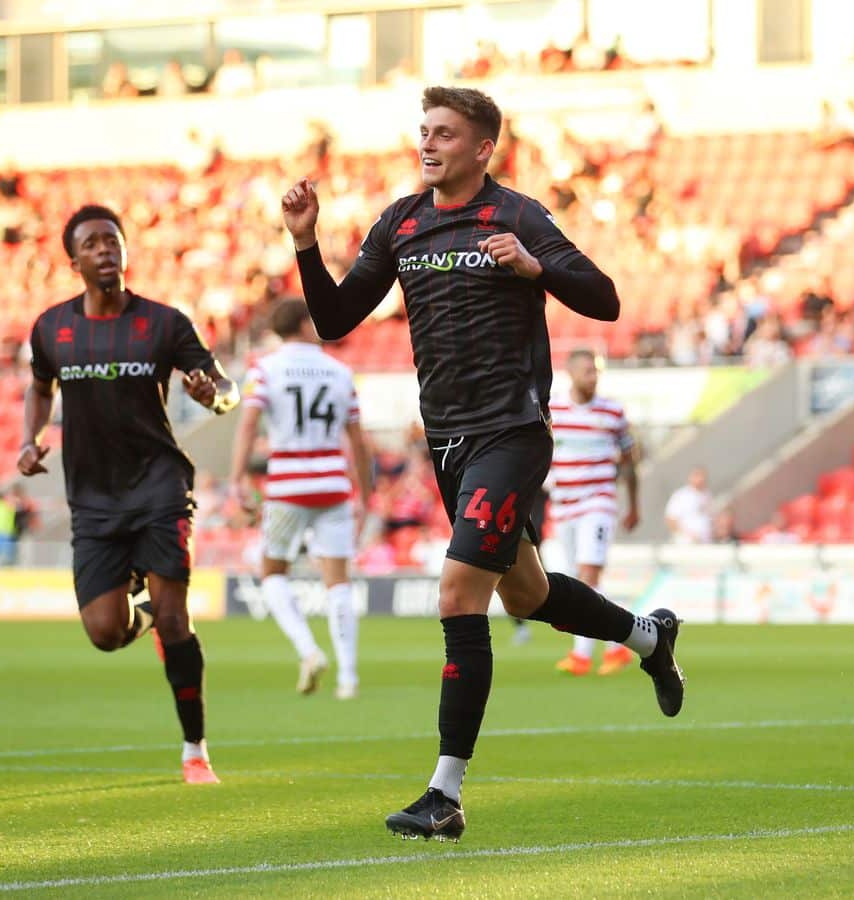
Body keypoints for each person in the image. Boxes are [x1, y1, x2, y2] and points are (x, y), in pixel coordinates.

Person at [281, 85, 684, 842]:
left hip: (512, 432)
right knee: (527, 595)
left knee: (458, 595)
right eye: (423, 131)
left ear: (481, 148)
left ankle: (445, 793)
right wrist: (305, 242)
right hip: (447, 441)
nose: (427, 144)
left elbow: (605, 300)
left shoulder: (517, 216)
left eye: (443, 133)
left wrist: (535, 268)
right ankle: (649, 638)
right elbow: (334, 320)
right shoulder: (400, 222)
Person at [18, 204, 238, 785]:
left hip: (160, 487)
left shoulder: (164, 323)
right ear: (74, 262)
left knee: (176, 619)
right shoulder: (51, 328)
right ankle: (145, 612)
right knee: (105, 633)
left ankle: (195, 750)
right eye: (91, 243)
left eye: (112, 240)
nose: (105, 250)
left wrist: (213, 395)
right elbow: (38, 388)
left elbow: (226, 389)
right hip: (93, 498)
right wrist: (29, 440)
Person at [230, 298, 373, 700]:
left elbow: (248, 426)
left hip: (288, 484)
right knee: (338, 580)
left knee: (272, 571)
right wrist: (365, 493)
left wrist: (237, 478)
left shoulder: (264, 369)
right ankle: (348, 678)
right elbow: (358, 441)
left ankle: (309, 650)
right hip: (333, 483)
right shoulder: (340, 372)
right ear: (305, 324)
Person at [549, 349, 640, 678]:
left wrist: (634, 504)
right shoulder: (553, 409)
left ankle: (581, 655)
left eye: (596, 371)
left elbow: (629, 461)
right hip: (564, 504)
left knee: (587, 576)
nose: (593, 376)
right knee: (580, 580)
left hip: (598, 502)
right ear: (571, 373)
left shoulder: (612, 412)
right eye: (587, 370)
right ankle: (619, 646)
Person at [665, 467, 713, 544]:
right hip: (687, 544)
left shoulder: (707, 495)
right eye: (697, 475)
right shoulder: (681, 495)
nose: (701, 479)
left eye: (703, 476)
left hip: (705, 543)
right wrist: (688, 536)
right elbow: (671, 519)